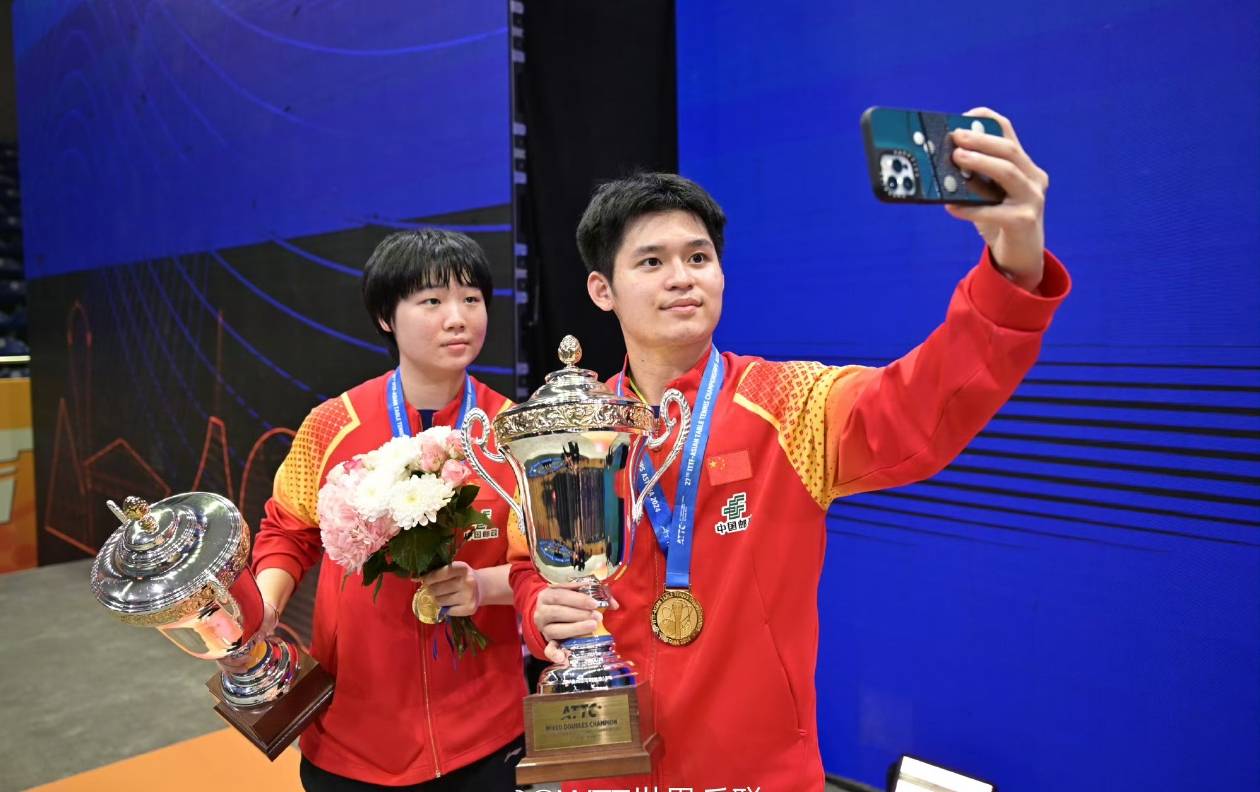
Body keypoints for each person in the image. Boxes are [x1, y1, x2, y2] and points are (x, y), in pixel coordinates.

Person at [509, 109, 1070, 790]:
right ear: (603, 290)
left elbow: (921, 403)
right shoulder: (572, 431)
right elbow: (528, 563)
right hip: (603, 770)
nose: (682, 277)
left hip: (757, 774)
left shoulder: (790, 404)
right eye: (652, 262)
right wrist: (538, 611)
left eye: (699, 258)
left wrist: (1013, 266)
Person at [252, 230, 525, 790]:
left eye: (472, 299)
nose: (458, 318)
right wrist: (264, 606)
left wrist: (483, 585)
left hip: (486, 730)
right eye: (432, 301)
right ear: (385, 316)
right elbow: (288, 529)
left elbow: (542, 564)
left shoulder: (512, 433)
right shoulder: (332, 424)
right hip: (351, 732)